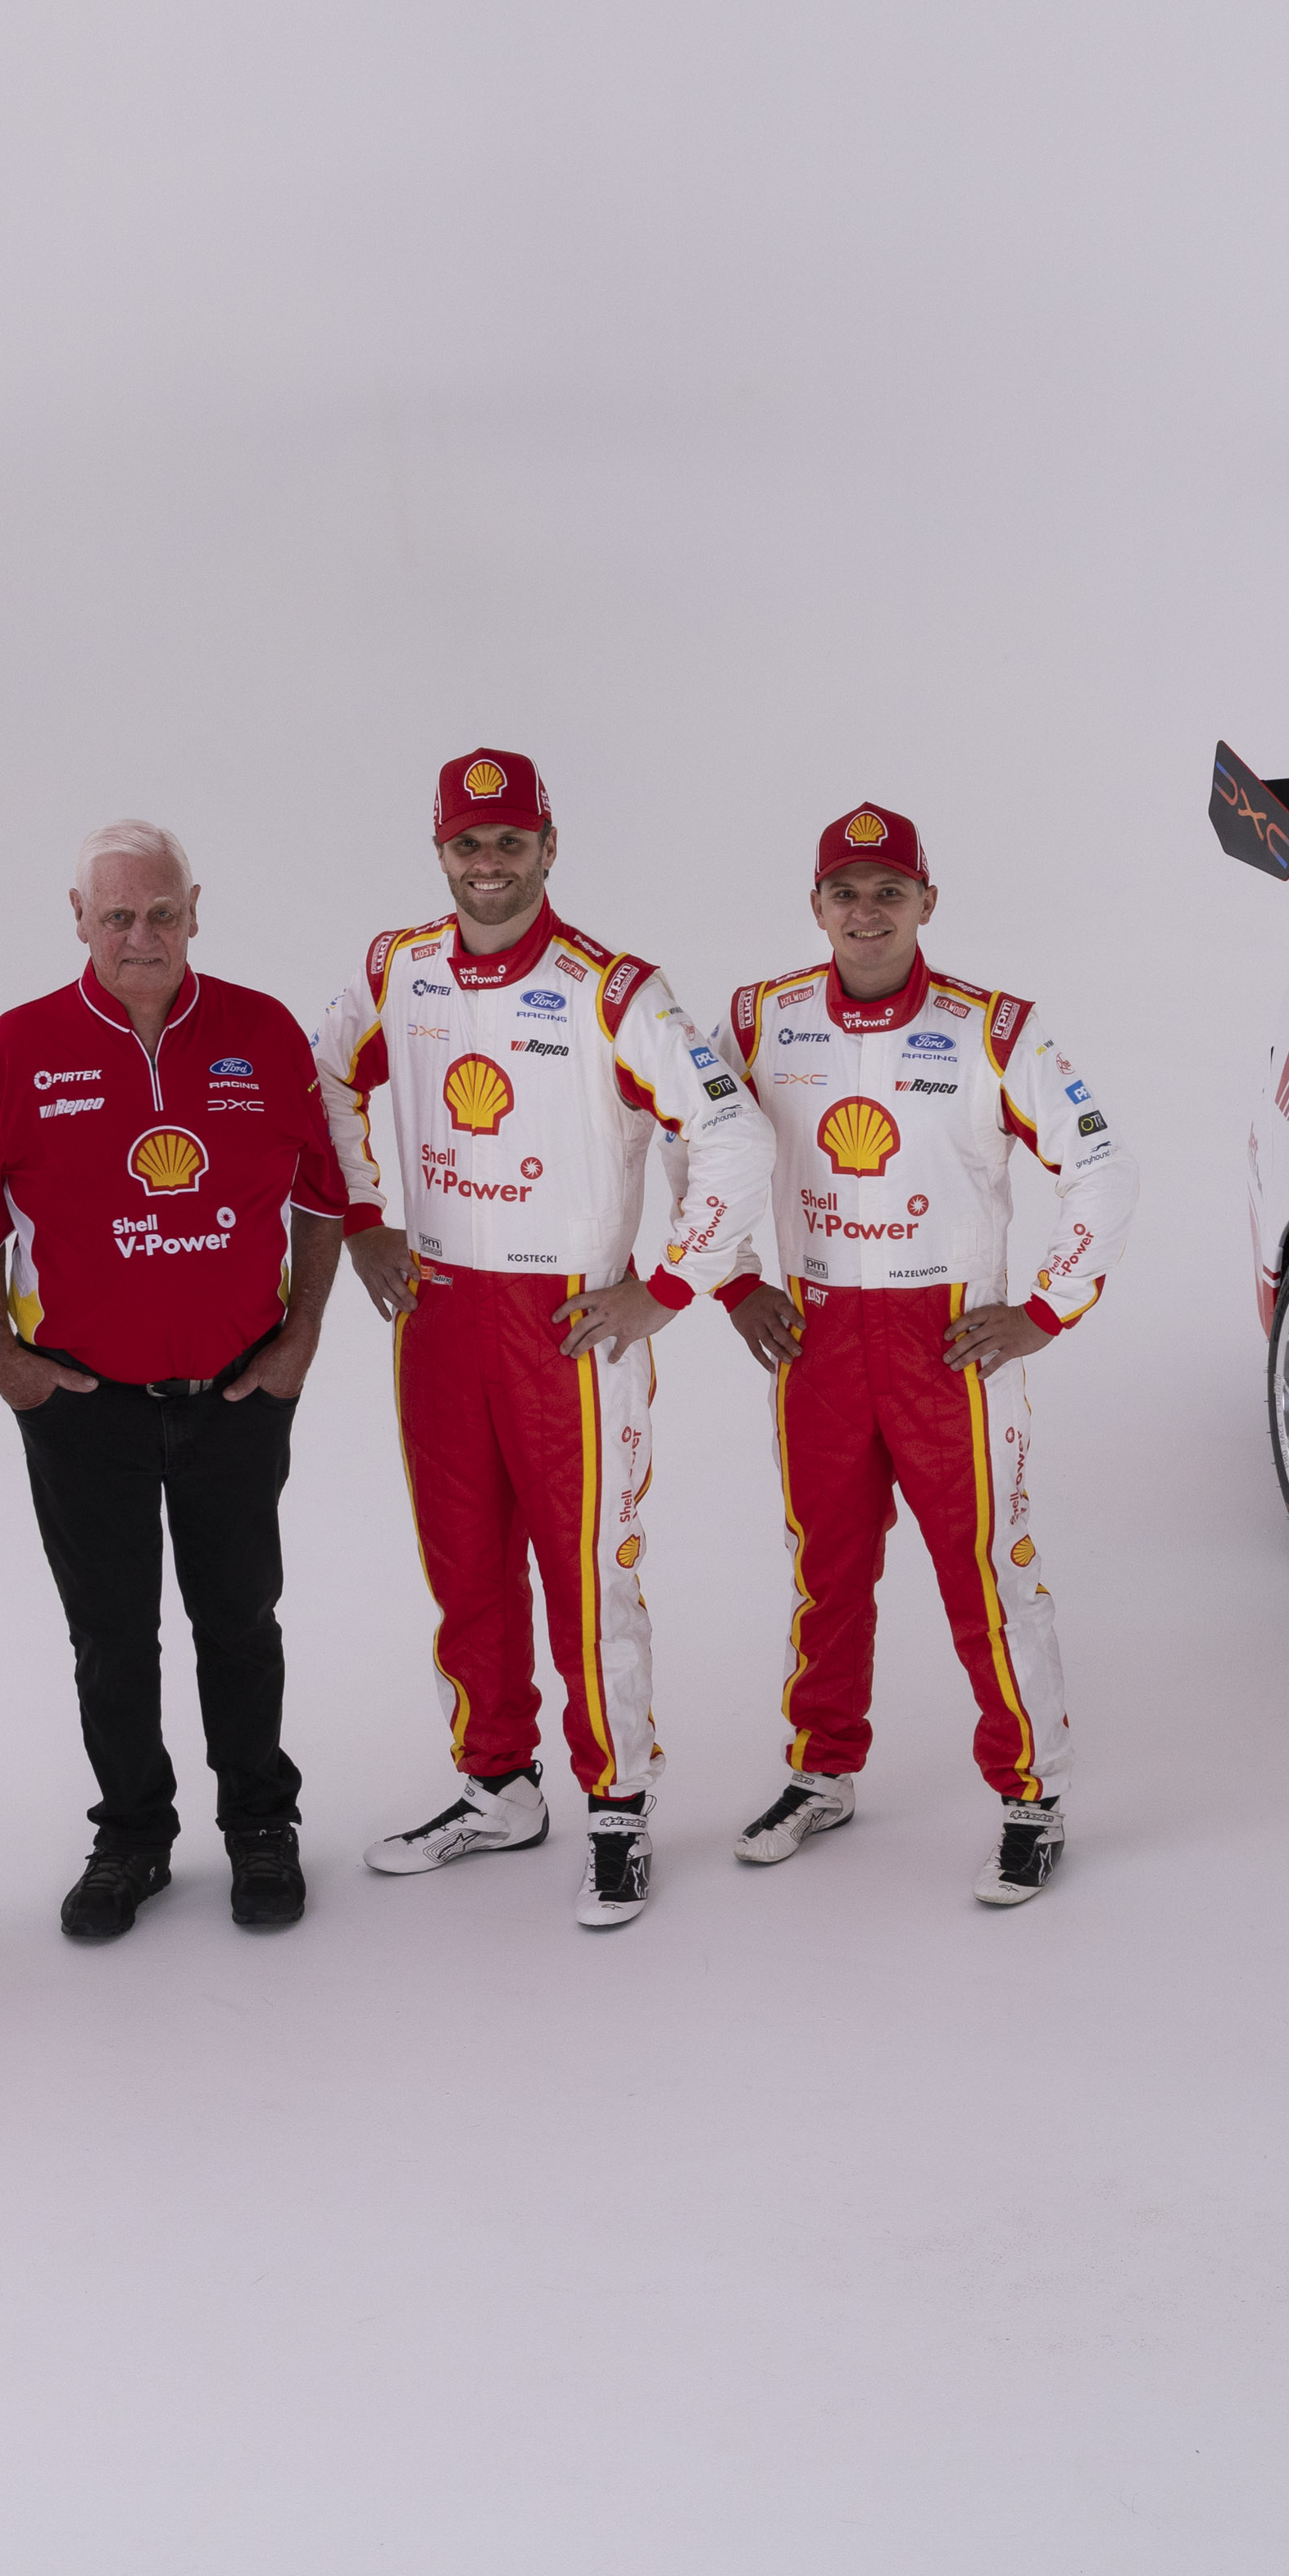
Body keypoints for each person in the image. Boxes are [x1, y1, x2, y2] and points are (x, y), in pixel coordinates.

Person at [315, 746, 772, 1928]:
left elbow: (732, 1135)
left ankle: (618, 1804)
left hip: (569, 1325)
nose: (489, 863)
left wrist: (669, 1286)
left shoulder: (615, 989)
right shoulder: (397, 967)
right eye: (467, 843)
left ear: (549, 846)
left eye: (510, 841)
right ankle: (498, 1787)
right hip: (436, 1312)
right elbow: (324, 1079)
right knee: (464, 1568)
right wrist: (363, 1217)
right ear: (440, 852)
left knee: (586, 1577)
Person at [0, 822, 352, 1940]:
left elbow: (324, 1195)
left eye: (161, 912)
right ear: (78, 919)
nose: (140, 936)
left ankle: (260, 1824)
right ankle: (131, 1836)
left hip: (237, 1396)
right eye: (116, 915)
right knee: (111, 1638)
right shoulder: (21, 1047)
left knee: (241, 1619)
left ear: (195, 910)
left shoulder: (262, 1031)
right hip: (82, 1406)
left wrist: (302, 1333)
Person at [717, 805, 1134, 1904]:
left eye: (889, 891)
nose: (868, 912)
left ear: (926, 902)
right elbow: (696, 1143)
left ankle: (1032, 1798)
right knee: (826, 1569)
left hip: (948, 1344)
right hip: (816, 1337)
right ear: (817, 906)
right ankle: (821, 1772)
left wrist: (1046, 1308)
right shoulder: (759, 1021)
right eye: (846, 893)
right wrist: (735, 1278)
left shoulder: (995, 1027)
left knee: (987, 1574)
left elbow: (1102, 1167)